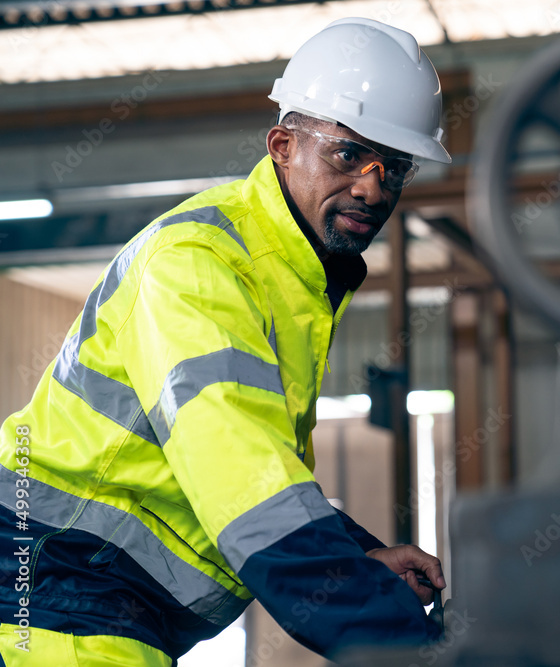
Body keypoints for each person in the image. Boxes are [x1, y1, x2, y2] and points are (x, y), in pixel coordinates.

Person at [0, 17, 451, 666]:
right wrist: (413, 641)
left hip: (98, 604)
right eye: (348, 155)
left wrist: (357, 556)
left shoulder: (293, 281)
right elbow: (244, 484)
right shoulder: (201, 263)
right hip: (56, 597)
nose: (372, 186)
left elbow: (261, 463)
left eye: (394, 167)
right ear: (282, 146)